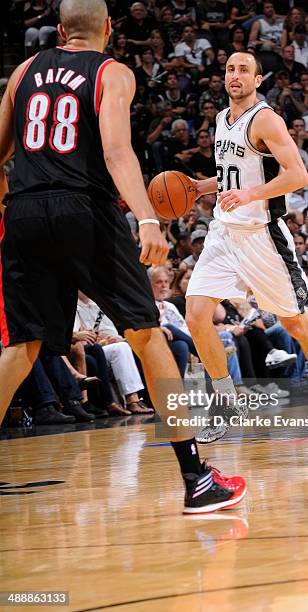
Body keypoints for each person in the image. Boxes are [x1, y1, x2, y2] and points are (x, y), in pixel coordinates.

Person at [0, 0, 246, 514]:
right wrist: (148, 218)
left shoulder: (23, 71)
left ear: (61, 30)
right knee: (147, 334)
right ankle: (196, 479)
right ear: (109, 29)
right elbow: (116, 151)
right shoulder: (112, 72)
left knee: (21, 347)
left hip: (22, 210)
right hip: (84, 210)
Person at [185, 51, 308, 448]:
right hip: (224, 233)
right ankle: (224, 401)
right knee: (196, 315)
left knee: (293, 322)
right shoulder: (223, 119)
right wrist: (199, 187)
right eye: (230, 69)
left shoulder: (266, 118)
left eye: (244, 70)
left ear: (258, 80)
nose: (235, 75)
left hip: (262, 235)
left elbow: (297, 174)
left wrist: (250, 194)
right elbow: (229, 177)